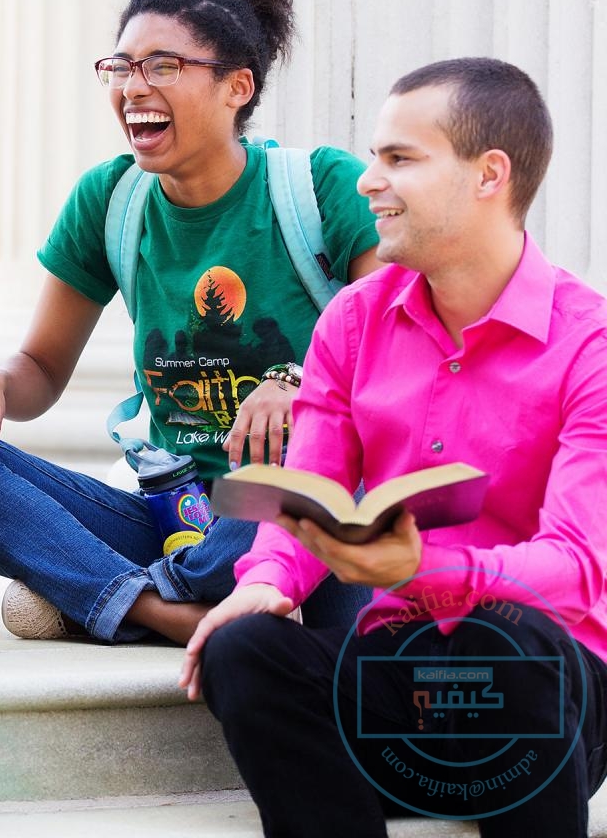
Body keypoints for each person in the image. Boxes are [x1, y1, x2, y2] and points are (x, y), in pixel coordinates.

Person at [0, 0, 382, 644]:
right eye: (120, 68)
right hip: (175, 520)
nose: (132, 88)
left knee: (313, 468)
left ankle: (105, 595)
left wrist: (298, 384)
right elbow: (40, 368)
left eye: (162, 66)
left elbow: (402, 343)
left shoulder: (322, 187)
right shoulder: (110, 200)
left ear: (235, 86)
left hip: (294, 514)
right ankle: (160, 609)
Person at [183, 59, 607, 835]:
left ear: (490, 175)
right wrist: (269, 578)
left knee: (511, 634)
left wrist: (428, 569)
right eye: (375, 156)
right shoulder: (353, 320)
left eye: (399, 159)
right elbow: (305, 492)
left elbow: (579, 569)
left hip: (538, 699)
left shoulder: (590, 344)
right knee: (244, 648)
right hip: (397, 687)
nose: (368, 181)